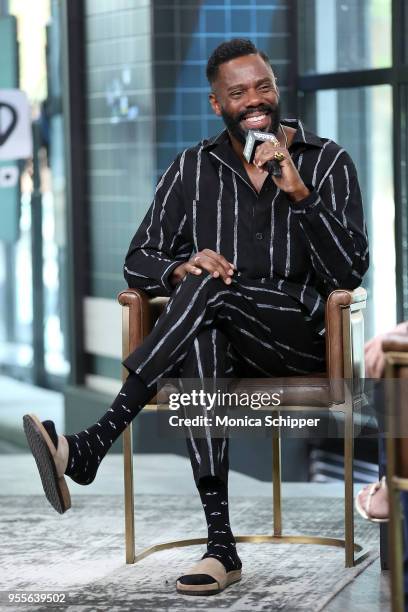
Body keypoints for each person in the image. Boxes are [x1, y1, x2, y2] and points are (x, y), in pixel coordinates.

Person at [23, 38, 368, 596]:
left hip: (299, 337)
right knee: (203, 327)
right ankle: (221, 545)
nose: (255, 100)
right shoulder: (191, 168)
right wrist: (180, 267)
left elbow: (349, 271)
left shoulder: (326, 160)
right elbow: (139, 257)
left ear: (276, 90)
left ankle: (94, 442)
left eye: (263, 87)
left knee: (212, 289)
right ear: (217, 104)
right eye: (238, 92)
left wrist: (300, 193)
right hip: (223, 333)